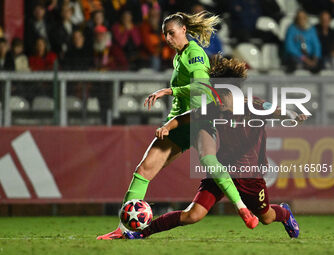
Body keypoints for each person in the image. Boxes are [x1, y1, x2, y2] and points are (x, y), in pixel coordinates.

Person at [97, 11, 257, 240]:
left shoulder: (194, 54)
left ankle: (242, 209)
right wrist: (170, 122)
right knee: (143, 171)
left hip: (201, 118)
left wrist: (169, 90)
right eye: (165, 35)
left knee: (208, 160)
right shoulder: (178, 56)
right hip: (180, 122)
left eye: (171, 33)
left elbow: (202, 88)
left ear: (184, 30)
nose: (168, 39)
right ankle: (123, 230)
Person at [123, 56, 306, 240]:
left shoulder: (254, 105)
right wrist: (166, 127)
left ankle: (285, 213)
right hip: (222, 171)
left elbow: (277, 110)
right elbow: (184, 118)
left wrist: (292, 114)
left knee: (266, 217)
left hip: (250, 176)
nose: (216, 99)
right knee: (192, 215)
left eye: (220, 94)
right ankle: (142, 233)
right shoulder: (215, 108)